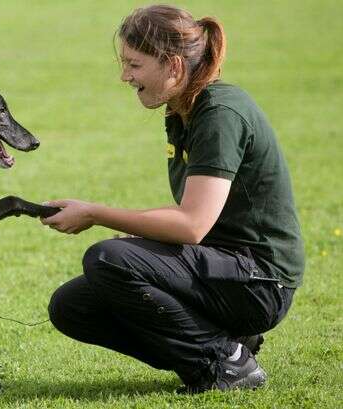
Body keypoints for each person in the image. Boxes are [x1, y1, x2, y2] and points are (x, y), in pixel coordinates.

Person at [41, 4, 304, 393]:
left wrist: (96, 214)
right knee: (72, 306)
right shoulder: (183, 109)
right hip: (225, 269)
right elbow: (190, 213)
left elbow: (192, 226)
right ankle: (227, 343)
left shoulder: (220, 113)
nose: (125, 76)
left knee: (106, 259)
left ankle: (223, 363)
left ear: (174, 66)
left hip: (261, 281)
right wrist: (141, 244)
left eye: (134, 64)